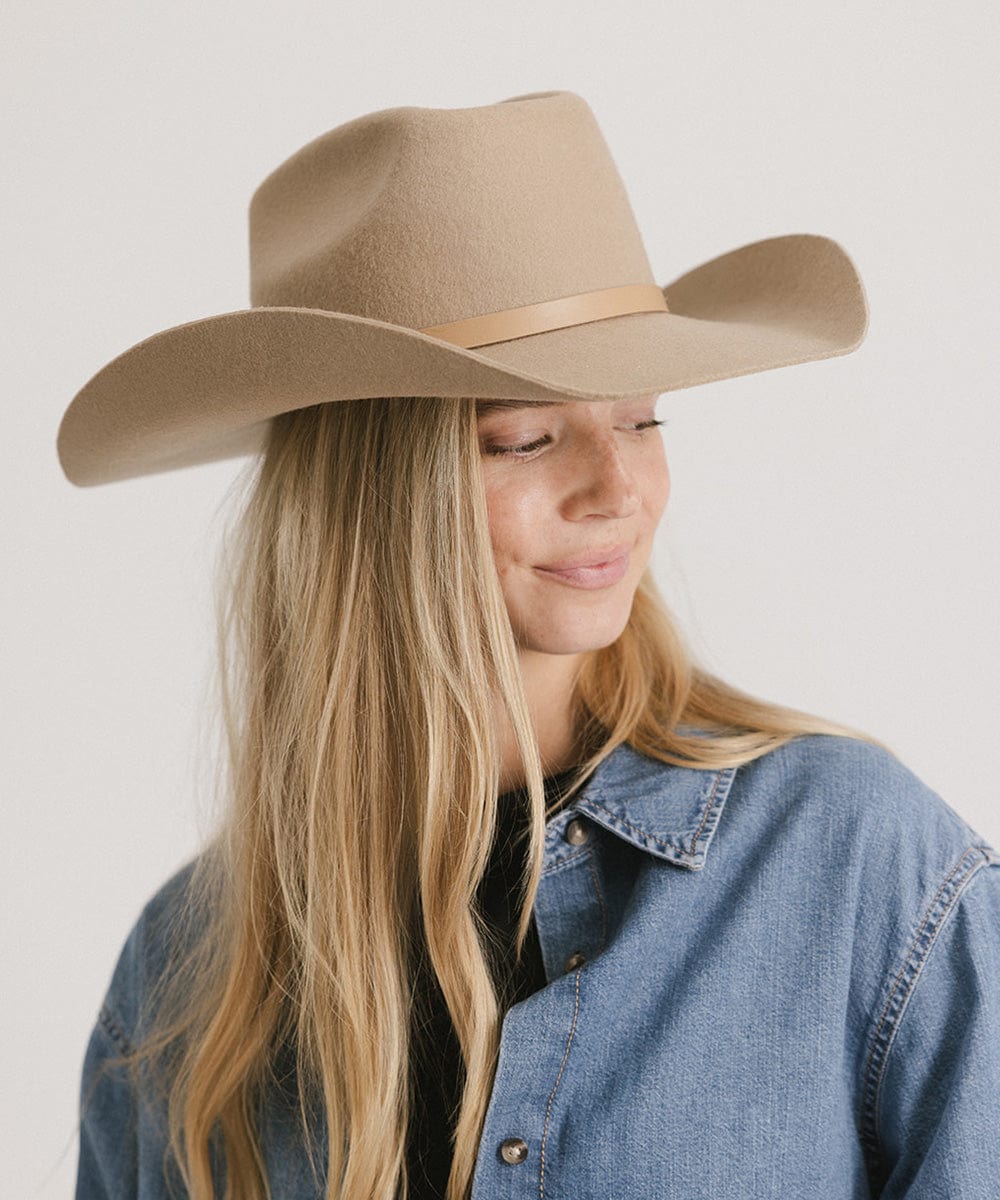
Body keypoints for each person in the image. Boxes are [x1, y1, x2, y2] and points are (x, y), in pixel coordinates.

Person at [59, 91, 1000, 1200]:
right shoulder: (194, 975)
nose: (618, 489)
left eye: (642, 418)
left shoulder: (853, 864)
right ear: (369, 498)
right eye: (525, 437)